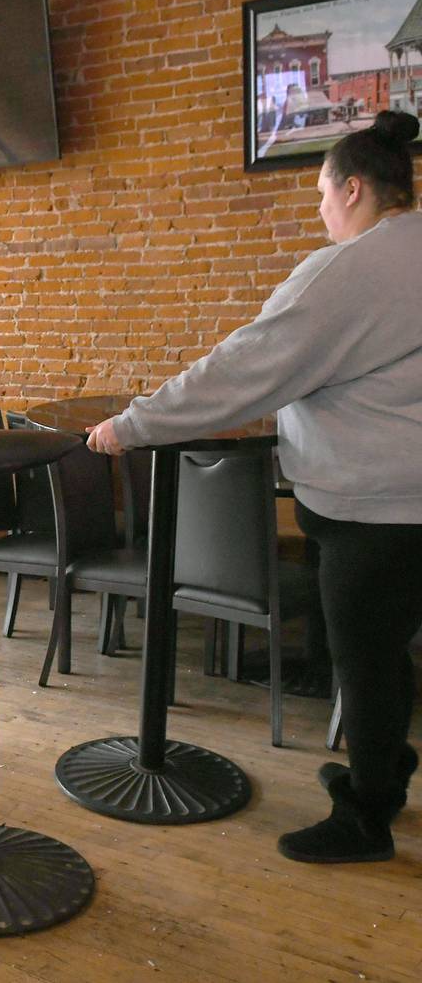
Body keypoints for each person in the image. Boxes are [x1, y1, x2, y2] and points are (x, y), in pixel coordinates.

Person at [87, 111, 422, 864]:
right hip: (407, 504)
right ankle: (383, 773)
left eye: (322, 193)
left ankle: (365, 817)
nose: (320, 211)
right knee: (386, 652)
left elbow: (244, 369)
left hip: (376, 508)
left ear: (357, 187)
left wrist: (134, 425)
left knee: (363, 659)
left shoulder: (353, 269)